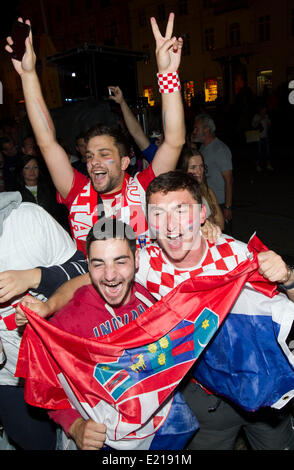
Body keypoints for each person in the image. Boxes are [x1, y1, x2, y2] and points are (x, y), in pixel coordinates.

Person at [24, 171, 294, 450]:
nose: (170, 225)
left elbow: (286, 309)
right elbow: (85, 280)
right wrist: (46, 305)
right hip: (205, 398)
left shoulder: (236, 255)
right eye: (158, 214)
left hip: (261, 390)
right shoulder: (148, 262)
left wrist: (287, 276)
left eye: (180, 210)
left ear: (202, 213)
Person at [6, 14, 185, 255]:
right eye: (89, 156)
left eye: (103, 154)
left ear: (124, 162)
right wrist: (28, 75)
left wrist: (167, 73)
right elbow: (47, 142)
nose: (93, 162)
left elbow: (174, 140)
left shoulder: (145, 188)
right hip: (88, 288)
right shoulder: (77, 190)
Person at [20, 217, 196, 451]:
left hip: (162, 428)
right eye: (98, 264)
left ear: (136, 262)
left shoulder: (150, 294)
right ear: (88, 266)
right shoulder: (70, 321)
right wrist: (75, 426)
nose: (109, 275)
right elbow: (47, 386)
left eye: (120, 261)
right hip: (105, 439)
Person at [0, 191, 87, 450]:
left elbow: (85, 271)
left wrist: (34, 277)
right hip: (12, 381)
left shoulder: (26, 219)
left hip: (66, 364)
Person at [191, 113, 233, 234]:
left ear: (206, 129)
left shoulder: (220, 149)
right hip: (207, 200)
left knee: (221, 236)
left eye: (196, 128)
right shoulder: (203, 148)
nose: (194, 131)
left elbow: (229, 180)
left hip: (219, 203)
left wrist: (228, 207)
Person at [179, 146, 224, 230]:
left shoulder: (208, 191)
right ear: (184, 170)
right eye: (193, 167)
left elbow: (221, 224)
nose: (199, 171)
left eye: (201, 166)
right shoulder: (178, 194)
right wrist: (209, 220)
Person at [251, 104, 273, 172]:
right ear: (260, 110)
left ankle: (268, 165)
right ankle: (258, 165)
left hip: (265, 136)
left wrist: (268, 123)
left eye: (265, 110)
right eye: (263, 110)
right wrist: (260, 119)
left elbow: (269, 127)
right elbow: (253, 125)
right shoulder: (256, 116)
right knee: (259, 152)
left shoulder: (266, 116)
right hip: (258, 137)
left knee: (267, 152)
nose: (264, 112)